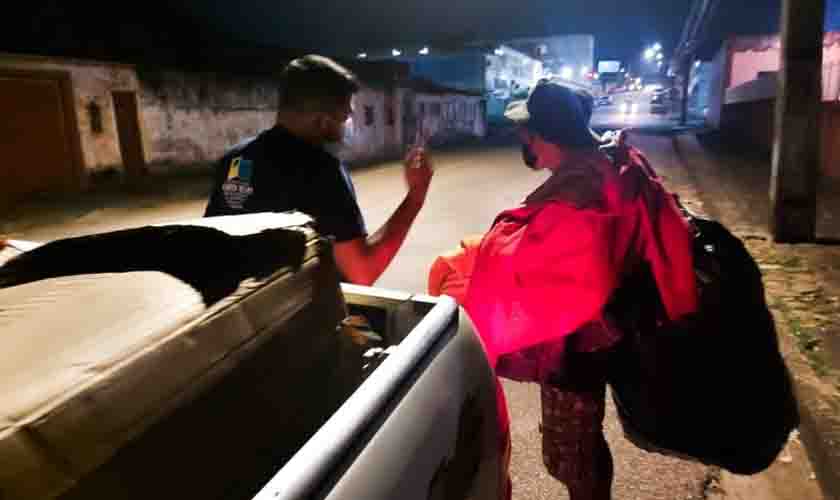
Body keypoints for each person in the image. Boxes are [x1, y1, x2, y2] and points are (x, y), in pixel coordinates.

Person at [428, 81, 698, 500]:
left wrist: (477, 270)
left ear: (546, 137)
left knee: (570, 456)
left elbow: (547, 277)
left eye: (526, 131)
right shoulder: (611, 159)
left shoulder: (580, 194)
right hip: (610, 324)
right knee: (580, 449)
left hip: (581, 342)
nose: (522, 139)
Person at [205, 55, 433, 285]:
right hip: (298, 314)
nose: (348, 126)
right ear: (322, 121)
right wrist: (416, 196)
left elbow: (210, 245)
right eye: (345, 118)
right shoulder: (322, 172)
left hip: (239, 312)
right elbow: (362, 271)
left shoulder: (235, 160)